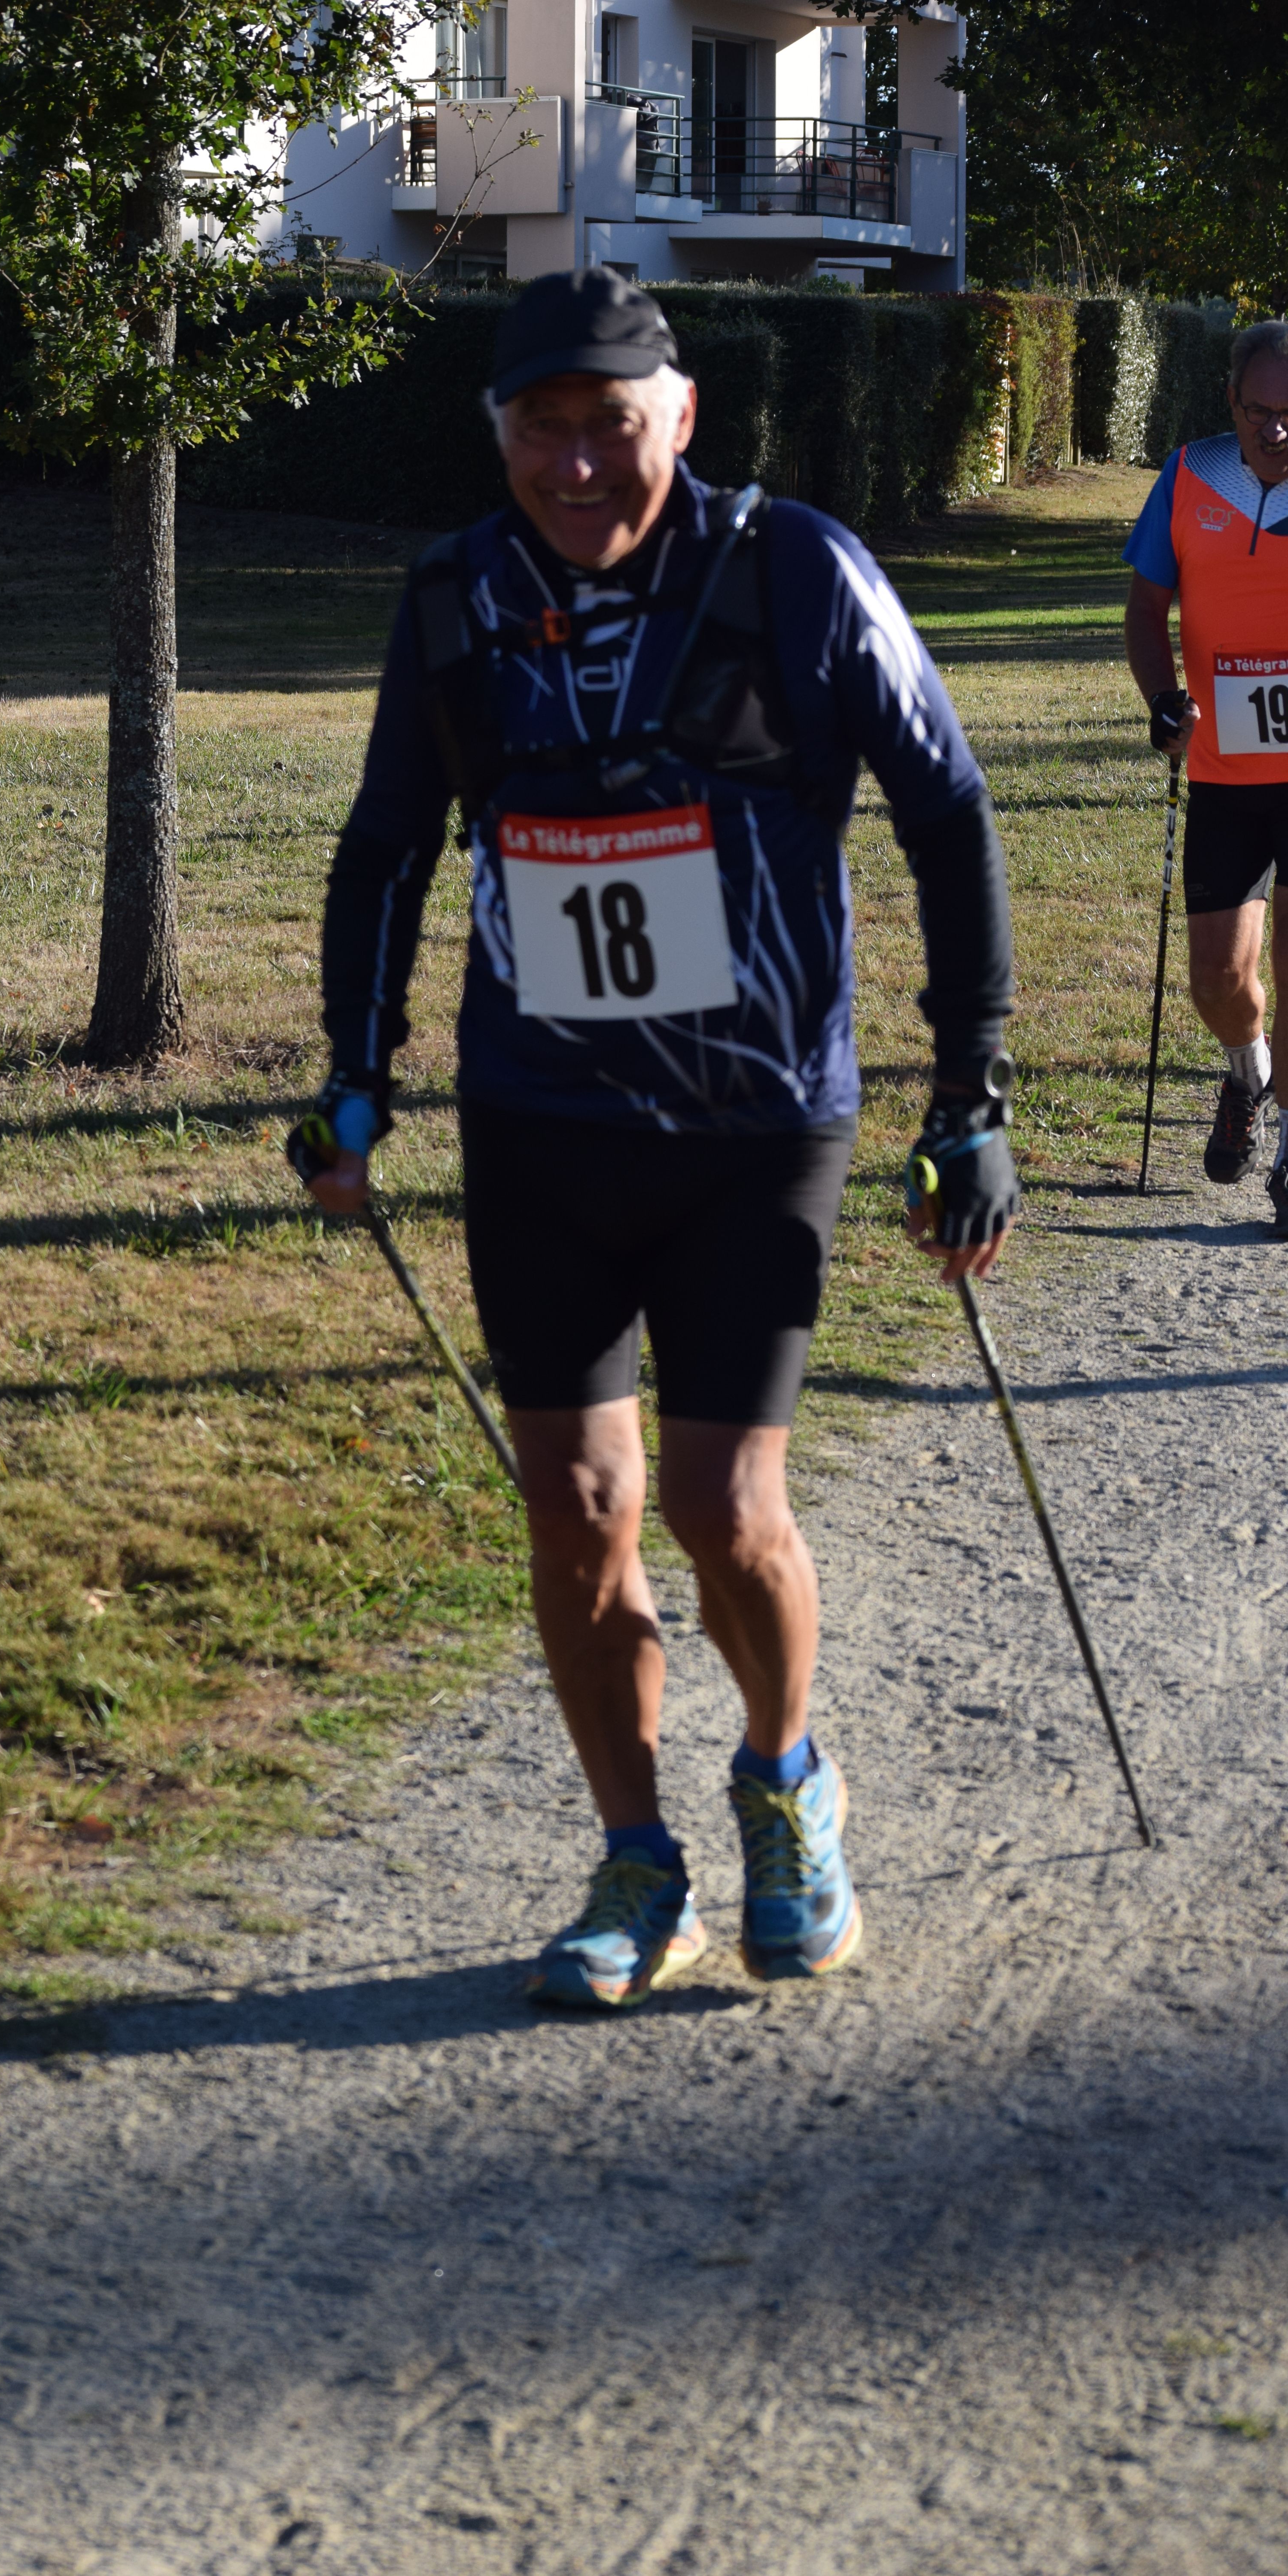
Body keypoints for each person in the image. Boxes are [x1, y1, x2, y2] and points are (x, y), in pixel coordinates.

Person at [292, 270, 1019, 2005]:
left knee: (718, 1501)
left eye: (609, 424)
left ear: (679, 419)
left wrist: (971, 1092)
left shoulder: (796, 572)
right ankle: (637, 1862)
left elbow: (946, 807)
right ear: (499, 436)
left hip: (755, 1118)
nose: (575, 463)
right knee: (576, 1510)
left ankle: (786, 1782)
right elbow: (389, 842)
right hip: (540, 1120)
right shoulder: (456, 596)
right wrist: (356, 1073)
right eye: (539, 428)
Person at [1124, 318, 1288, 1216]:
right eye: (1259, 411)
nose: (1276, 430)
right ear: (1231, 402)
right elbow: (1146, 606)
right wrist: (1161, 700)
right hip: (1225, 774)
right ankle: (1248, 1072)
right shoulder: (1190, 475)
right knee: (1218, 983)